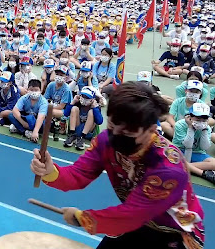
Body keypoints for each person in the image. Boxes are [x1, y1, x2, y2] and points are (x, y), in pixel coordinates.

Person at [30, 82, 204, 249]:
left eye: (128, 133)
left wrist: (81, 218)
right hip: (135, 219)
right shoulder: (106, 140)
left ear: (151, 130)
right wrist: (51, 171)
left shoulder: (168, 169)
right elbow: (79, 174)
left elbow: (130, 216)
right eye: (112, 126)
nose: (116, 136)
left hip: (174, 230)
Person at [172, 102, 215, 186]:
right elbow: (187, 145)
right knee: (170, 158)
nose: (201, 122)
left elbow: (204, 147)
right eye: (198, 119)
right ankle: (202, 173)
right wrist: (190, 128)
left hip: (197, 153)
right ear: (190, 117)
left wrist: (204, 130)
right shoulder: (179, 125)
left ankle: (184, 167)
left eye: (204, 120)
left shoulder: (207, 128)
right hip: (180, 151)